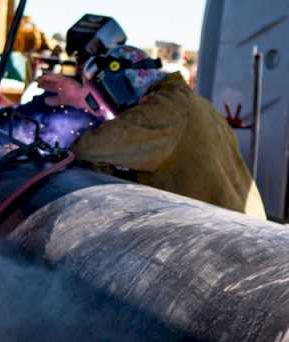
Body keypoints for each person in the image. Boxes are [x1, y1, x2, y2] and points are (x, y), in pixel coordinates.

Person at [38, 45, 266, 218]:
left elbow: (90, 148)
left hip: (231, 242)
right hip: (244, 228)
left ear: (121, 85)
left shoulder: (168, 108)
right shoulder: (189, 101)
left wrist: (76, 104)